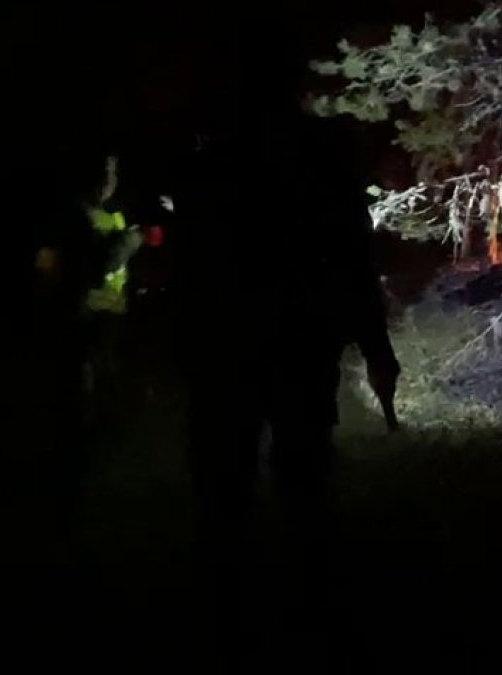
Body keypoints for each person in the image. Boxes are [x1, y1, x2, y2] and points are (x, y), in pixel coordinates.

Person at [168, 83, 400, 666]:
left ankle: (242, 610)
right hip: (289, 344)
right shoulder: (317, 164)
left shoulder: (211, 167)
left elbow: (188, 267)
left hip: (238, 348)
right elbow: (353, 261)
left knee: (238, 485)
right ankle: (293, 608)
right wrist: (375, 344)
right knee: (292, 479)